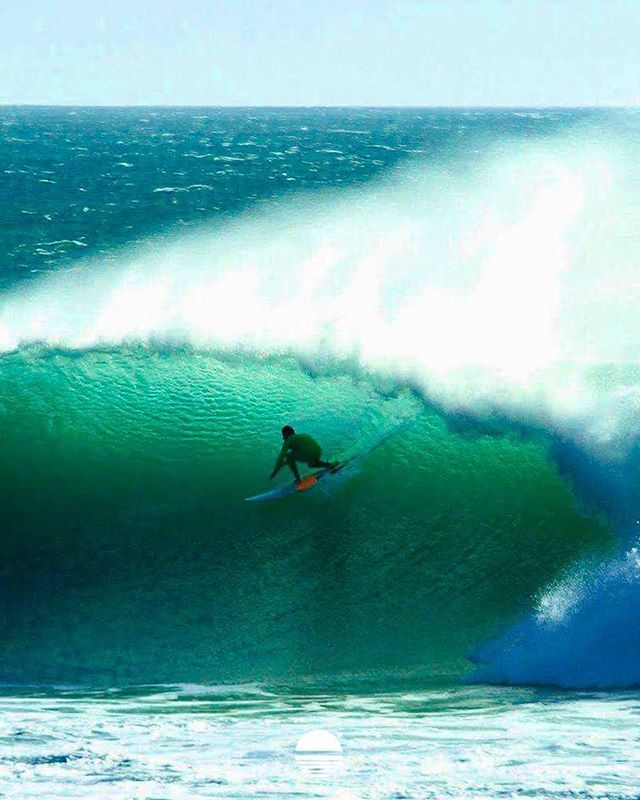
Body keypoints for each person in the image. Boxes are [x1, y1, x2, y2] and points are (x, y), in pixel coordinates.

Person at [270, 425, 337, 484]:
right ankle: (329, 465)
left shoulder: (288, 440)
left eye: (283, 435)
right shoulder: (299, 436)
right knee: (311, 464)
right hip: (317, 451)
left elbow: (281, 457)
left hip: (308, 453)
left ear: (286, 434)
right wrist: (283, 464)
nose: (282, 437)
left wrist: (274, 472)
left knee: (288, 456)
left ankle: (298, 479)